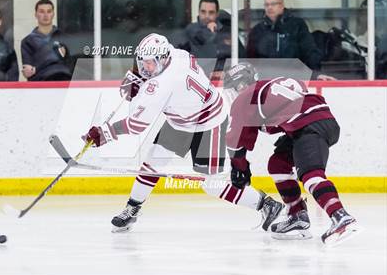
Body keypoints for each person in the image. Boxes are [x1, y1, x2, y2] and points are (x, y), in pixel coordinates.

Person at [83, 33, 283, 233]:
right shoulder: (177, 54)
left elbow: (137, 125)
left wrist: (104, 133)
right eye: (142, 63)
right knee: (151, 164)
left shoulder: (161, 85)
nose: (145, 68)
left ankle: (266, 204)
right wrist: (140, 77)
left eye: (149, 64)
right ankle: (132, 208)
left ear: (162, 59)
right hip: (181, 121)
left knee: (212, 185)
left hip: (209, 123)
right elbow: (152, 75)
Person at [223, 62, 359, 245]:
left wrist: (239, 168)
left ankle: (341, 217)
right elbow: (292, 103)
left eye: (234, 88)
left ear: (239, 85)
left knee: (311, 175)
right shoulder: (275, 82)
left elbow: (236, 142)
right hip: (322, 121)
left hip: (307, 126)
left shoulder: (244, 98)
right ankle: (297, 217)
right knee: (278, 163)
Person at [246, 0, 334, 81]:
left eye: (273, 4)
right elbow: (251, 60)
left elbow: (309, 51)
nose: (270, 7)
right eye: (266, 5)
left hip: (295, 79)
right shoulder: (257, 30)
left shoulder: (297, 25)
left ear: (282, 5)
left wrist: (316, 74)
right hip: (265, 80)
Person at [177, 0, 245, 76]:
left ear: (217, 14)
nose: (206, 16)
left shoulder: (228, 32)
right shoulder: (191, 30)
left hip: (225, 78)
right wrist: (210, 32)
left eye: (211, 12)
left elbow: (242, 57)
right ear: (198, 12)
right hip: (198, 77)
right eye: (203, 12)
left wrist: (227, 72)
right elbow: (181, 57)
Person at [21, 0, 72, 81]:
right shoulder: (27, 41)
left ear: (53, 14)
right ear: (36, 14)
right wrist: (56, 55)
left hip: (63, 85)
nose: (45, 15)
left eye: (49, 11)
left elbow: (71, 66)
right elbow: (29, 73)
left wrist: (36, 68)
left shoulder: (64, 37)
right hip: (40, 88)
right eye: (41, 11)